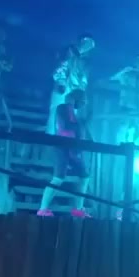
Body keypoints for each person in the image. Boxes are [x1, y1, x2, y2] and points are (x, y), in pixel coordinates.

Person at [37, 88, 90, 218]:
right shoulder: (63, 108)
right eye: (82, 101)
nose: (83, 105)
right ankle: (43, 209)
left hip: (74, 148)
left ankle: (79, 209)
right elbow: (65, 126)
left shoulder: (74, 114)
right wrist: (80, 125)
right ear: (76, 99)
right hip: (62, 146)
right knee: (58, 178)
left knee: (84, 177)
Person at [49, 35, 94, 133]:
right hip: (63, 91)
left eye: (89, 45)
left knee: (69, 118)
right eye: (86, 43)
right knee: (56, 119)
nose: (87, 47)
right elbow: (60, 69)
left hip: (73, 94)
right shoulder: (69, 54)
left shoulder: (85, 62)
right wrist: (61, 82)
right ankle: (52, 137)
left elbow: (83, 80)